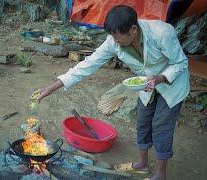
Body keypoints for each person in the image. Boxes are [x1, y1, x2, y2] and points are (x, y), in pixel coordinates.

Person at [35, 5, 189, 180]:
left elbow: (180, 63)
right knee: (143, 122)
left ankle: (161, 174)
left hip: (171, 84)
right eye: (112, 36)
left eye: (117, 36)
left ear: (133, 29)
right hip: (146, 85)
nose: (114, 41)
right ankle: (142, 164)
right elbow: (87, 65)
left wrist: (160, 78)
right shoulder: (113, 41)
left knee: (161, 126)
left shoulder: (162, 32)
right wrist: (52, 87)